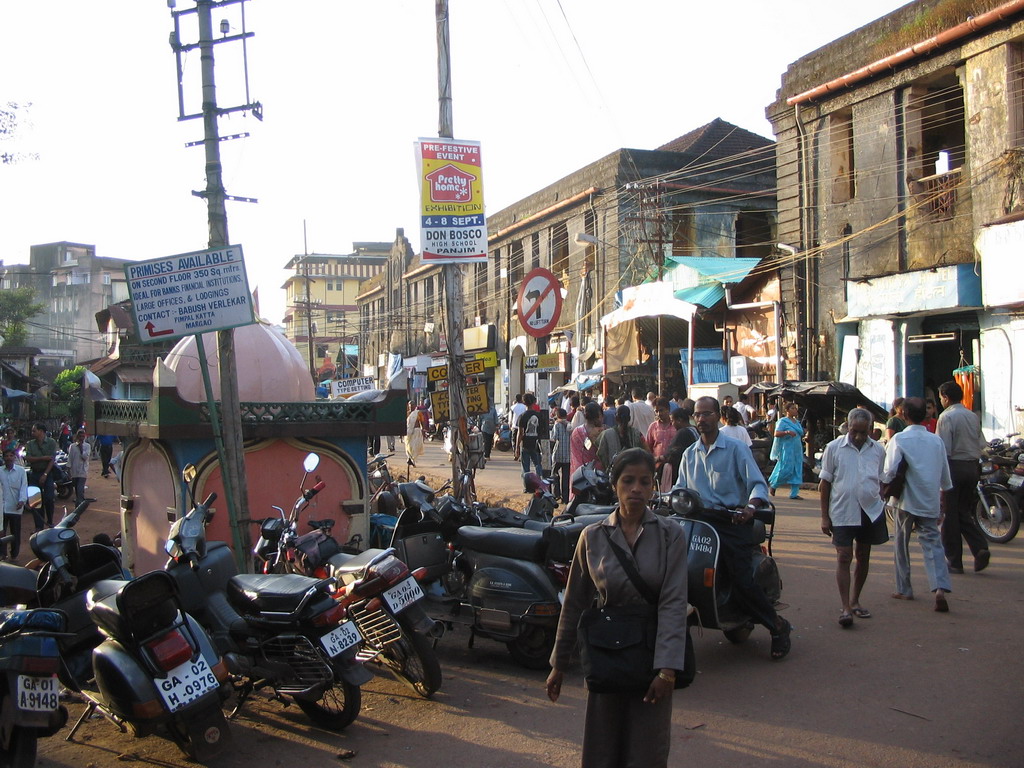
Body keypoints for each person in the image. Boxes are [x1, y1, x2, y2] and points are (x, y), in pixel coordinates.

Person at [546, 448, 688, 768]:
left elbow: (674, 603)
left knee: (647, 751)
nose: (636, 488)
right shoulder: (593, 536)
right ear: (615, 485)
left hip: (651, 658)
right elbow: (575, 604)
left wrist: (667, 670)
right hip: (606, 656)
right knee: (602, 749)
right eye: (628, 480)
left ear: (654, 487)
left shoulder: (671, 536)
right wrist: (558, 663)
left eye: (644, 481)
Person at [673, 396, 792, 660]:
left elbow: (758, 484)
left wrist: (750, 507)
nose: (701, 419)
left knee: (741, 579)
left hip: (730, 522)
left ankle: (778, 626)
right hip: (697, 523)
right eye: (697, 415)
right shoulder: (689, 454)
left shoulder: (736, 449)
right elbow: (679, 489)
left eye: (707, 414)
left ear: (718, 416)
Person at [818, 408, 888, 628]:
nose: (858, 437)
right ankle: (845, 607)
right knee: (844, 557)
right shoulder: (834, 448)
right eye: (854, 431)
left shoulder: (878, 450)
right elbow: (824, 484)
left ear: (871, 430)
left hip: (870, 511)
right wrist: (824, 517)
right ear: (848, 427)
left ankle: (855, 600)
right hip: (842, 511)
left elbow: (881, 479)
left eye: (863, 432)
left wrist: (881, 498)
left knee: (863, 555)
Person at [883, 397, 953, 611]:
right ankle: (939, 587)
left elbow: (889, 471)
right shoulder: (935, 440)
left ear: (903, 415)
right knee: (933, 543)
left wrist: (884, 486)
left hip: (906, 500)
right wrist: (943, 496)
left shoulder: (900, 440)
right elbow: (945, 476)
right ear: (926, 415)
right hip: (929, 499)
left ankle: (904, 588)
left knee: (901, 544)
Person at [936, 380, 990, 574]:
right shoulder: (971, 416)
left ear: (946, 398)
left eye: (941, 397)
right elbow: (981, 442)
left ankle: (954, 560)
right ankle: (979, 547)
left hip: (954, 467)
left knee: (950, 515)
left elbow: (944, 449)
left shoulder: (946, 417)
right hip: (972, 467)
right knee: (962, 511)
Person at [24, 422, 57, 530]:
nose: (32, 432)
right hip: (34, 473)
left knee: (49, 498)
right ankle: (39, 526)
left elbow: (52, 460)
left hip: (47, 472)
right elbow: (28, 458)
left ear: (41, 431)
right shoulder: (30, 444)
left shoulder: (51, 442)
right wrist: (43, 458)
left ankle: (50, 521)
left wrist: (45, 474)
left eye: (34, 430)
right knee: (35, 501)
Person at [768, 402, 805, 499]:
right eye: (792, 408)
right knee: (785, 469)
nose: (795, 410)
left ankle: (794, 493)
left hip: (797, 449)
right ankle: (774, 485)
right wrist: (787, 432)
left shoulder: (797, 422)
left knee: (797, 469)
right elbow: (776, 433)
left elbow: (800, 433)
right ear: (787, 410)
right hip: (787, 449)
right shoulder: (783, 421)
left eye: (795, 408)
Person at [597, 405, 648, 470]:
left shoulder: (605, 434)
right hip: (633, 472)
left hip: (613, 474)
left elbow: (601, 455)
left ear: (616, 418)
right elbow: (646, 452)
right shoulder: (637, 434)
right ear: (629, 418)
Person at [0, 448, 27, 561]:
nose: (9, 458)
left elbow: (23, 487)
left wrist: (22, 500)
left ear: (15, 458)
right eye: (6, 456)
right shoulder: (0, 471)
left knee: (15, 532)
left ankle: (14, 554)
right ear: (3, 458)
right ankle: (2, 554)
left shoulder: (21, 471)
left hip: (16, 506)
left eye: (11, 456)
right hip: (2, 507)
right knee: (2, 532)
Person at [570, 402, 606, 484]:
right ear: (598, 416)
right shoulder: (602, 433)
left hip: (578, 476)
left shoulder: (576, 432)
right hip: (598, 477)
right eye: (601, 415)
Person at [646, 397, 677, 491]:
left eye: (661, 410)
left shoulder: (675, 426)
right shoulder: (653, 427)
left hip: (673, 467)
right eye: (656, 411)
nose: (659, 413)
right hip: (657, 467)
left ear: (668, 409)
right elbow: (648, 446)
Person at [664, 406, 698, 484]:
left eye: (672, 421)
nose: (672, 424)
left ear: (679, 420)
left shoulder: (682, 432)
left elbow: (671, 452)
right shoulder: (695, 429)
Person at [516, 393, 543, 484]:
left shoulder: (522, 416)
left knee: (525, 468)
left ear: (524, 403)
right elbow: (542, 431)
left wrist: (517, 447)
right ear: (534, 402)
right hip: (536, 444)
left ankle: (527, 486)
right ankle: (539, 484)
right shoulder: (539, 415)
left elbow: (520, 433)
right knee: (538, 465)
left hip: (525, 444)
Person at [550, 408, 571, 503]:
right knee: (566, 477)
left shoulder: (557, 425)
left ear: (557, 416)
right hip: (568, 455)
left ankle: (556, 494)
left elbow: (553, 438)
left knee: (554, 474)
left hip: (557, 454)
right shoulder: (570, 425)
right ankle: (565, 498)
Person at [68, 428, 91, 507]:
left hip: (83, 471)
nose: (81, 438)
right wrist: (69, 471)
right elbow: (70, 458)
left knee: (80, 488)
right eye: (80, 436)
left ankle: (79, 505)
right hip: (74, 471)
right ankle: (80, 501)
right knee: (77, 489)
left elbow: (85, 457)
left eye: (83, 436)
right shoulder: (72, 446)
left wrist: (81, 449)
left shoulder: (87, 446)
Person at [404, 402, 424, 467]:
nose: (410, 407)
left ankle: (413, 461)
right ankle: (409, 458)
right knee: (409, 446)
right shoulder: (407, 414)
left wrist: (423, 429)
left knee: (415, 447)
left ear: (415, 406)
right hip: (408, 432)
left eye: (412, 406)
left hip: (416, 431)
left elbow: (422, 422)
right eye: (409, 406)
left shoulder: (418, 413)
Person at [509, 394, 527, 461]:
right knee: (522, 441)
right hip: (523, 427)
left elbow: (510, 417)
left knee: (514, 441)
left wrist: (510, 424)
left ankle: (516, 454)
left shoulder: (513, 407)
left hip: (515, 426)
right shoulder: (525, 407)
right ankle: (521, 455)